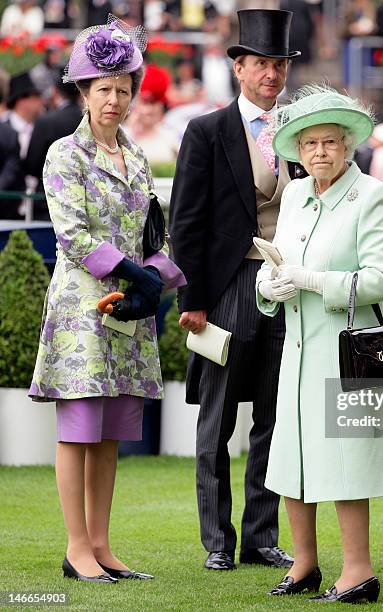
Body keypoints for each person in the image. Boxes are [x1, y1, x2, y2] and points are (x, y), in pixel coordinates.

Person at [28, 15, 185, 583]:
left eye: (123, 89)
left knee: (112, 432)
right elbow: (71, 235)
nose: (114, 100)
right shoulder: (62, 156)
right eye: (103, 89)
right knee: (79, 429)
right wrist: (132, 275)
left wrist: (161, 280)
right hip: (81, 311)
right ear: (82, 92)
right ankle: (76, 548)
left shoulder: (138, 158)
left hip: (130, 312)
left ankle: (102, 545)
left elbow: (154, 235)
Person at [256, 84, 383, 604]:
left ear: (348, 145)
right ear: (298, 150)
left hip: (346, 352)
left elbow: (381, 279)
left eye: (330, 143)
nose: (320, 152)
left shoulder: (374, 196)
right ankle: (304, 565)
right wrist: (267, 287)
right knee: (292, 459)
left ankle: (359, 572)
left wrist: (313, 280)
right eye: (310, 144)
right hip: (295, 352)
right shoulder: (293, 194)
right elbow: (276, 262)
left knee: (345, 464)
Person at [169, 9, 302, 572]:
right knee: (218, 420)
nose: (270, 74)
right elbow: (186, 221)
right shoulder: (206, 131)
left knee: (276, 415)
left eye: (277, 65)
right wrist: (192, 299)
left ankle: (262, 536)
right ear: (239, 69)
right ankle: (218, 541)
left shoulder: (301, 130)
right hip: (227, 287)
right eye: (260, 65)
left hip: (288, 285)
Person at [25, 68, 83, 220]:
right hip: (84, 200)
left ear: (55, 91)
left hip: (48, 201)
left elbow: (32, 164)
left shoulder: (46, 121)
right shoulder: (90, 121)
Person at [124, 63, 180, 165]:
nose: (149, 110)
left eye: (153, 103)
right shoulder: (124, 135)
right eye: (145, 103)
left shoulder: (170, 135)